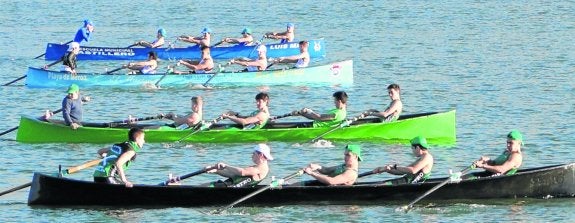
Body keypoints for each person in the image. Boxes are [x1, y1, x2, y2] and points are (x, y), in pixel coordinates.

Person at [204, 144, 273, 187]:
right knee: (202, 186)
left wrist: (226, 166)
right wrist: (216, 171)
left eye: (253, 154)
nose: (252, 156)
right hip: (227, 185)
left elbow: (242, 172)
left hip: (230, 188)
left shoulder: (261, 168)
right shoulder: (255, 167)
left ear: (260, 155)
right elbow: (233, 175)